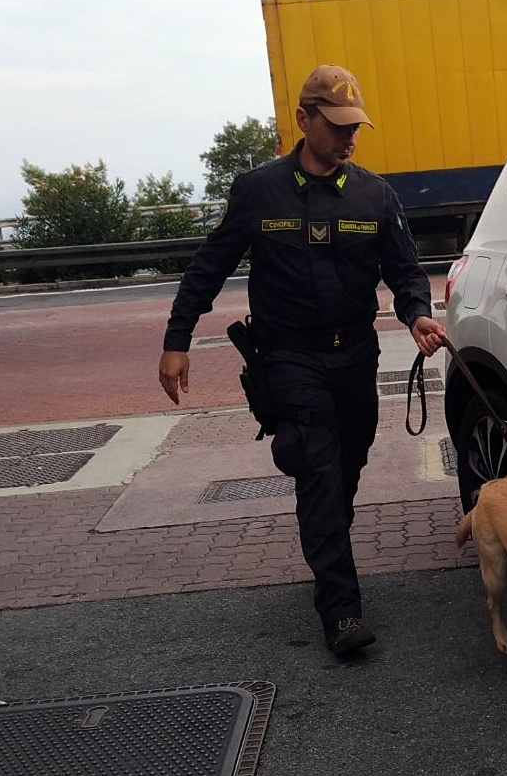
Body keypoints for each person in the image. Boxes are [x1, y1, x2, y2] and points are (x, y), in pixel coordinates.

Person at [157, 64, 447, 656]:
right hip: (289, 357)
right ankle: (341, 612)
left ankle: (325, 540)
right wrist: (176, 339)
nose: (348, 137)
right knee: (316, 466)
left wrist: (416, 310)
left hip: (355, 355)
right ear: (303, 120)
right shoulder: (259, 190)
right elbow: (209, 266)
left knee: (348, 462)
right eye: (337, 125)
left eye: (355, 126)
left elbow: (405, 268)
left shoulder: (375, 193)